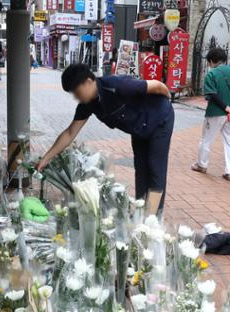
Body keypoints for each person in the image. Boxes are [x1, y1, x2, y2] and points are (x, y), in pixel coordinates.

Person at [37, 63, 174, 213]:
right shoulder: (87, 104)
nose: (76, 97)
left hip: (160, 119)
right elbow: (70, 133)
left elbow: (157, 86)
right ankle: (142, 212)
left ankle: (154, 217)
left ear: (89, 82)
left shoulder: (118, 86)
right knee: (141, 168)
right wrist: (46, 158)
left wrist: (167, 101)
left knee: (155, 167)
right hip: (138, 128)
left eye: (77, 92)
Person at [191, 47, 230, 180]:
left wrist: (225, 107)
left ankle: (202, 165)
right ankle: (229, 171)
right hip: (229, 115)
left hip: (216, 112)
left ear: (212, 61)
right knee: (229, 141)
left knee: (206, 139)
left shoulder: (211, 74)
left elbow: (212, 94)